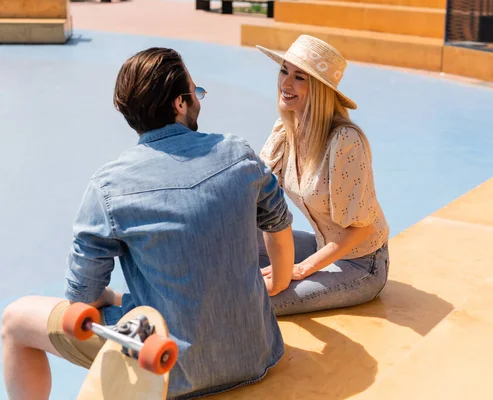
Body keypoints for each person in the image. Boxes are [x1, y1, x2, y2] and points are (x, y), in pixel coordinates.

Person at [1, 47, 295, 400]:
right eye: (194, 90)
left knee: (14, 321)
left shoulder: (109, 187)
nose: (197, 98)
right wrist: (277, 283)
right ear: (180, 104)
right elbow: (278, 224)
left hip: (168, 369)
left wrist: (110, 296)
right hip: (257, 354)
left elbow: (80, 298)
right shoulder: (239, 154)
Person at [255, 35, 390, 316]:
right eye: (284, 71)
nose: (286, 84)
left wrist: (301, 269)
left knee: (254, 300)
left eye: (300, 77)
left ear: (319, 89)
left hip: (361, 264)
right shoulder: (286, 131)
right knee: (236, 237)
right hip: (321, 245)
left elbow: (361, 228)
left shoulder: (345, 141)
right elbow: (256, 192)